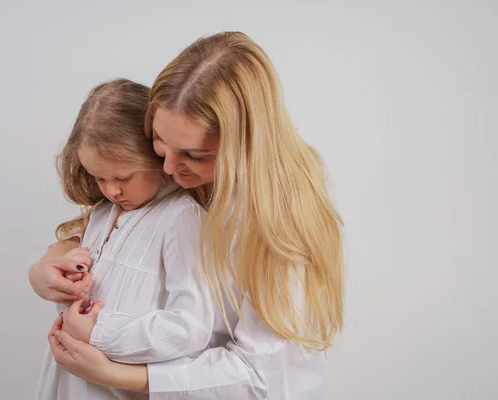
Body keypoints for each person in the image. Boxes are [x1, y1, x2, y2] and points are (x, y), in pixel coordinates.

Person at [31, 31, 344, 399]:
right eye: (158, 142)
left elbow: (259, 376)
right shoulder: (174, 181)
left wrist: (122, 375)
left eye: (194, 155)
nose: (168, 168)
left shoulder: (280, 225)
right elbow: (104, 236)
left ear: (244, 146)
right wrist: (47, 266)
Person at [32, 78, 214, 400]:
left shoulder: (180, 218)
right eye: (99, 177)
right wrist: (64, 277)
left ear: (155, 156)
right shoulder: (104, 212)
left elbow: (190, 327)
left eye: (123, 177)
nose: (111, 190)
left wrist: (101, 331)